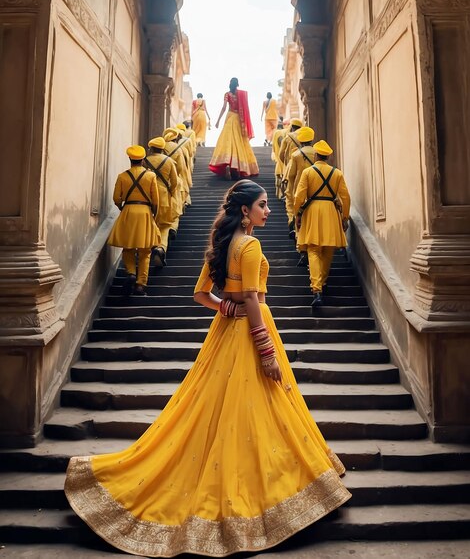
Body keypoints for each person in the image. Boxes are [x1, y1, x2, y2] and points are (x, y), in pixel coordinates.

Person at [64, 179, 351, 557]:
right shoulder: (249, 244)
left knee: (227, 406)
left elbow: (202, 295)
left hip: (228, 330)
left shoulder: (221, 245)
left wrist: (226, 309)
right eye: (263, 205)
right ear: (245, 211)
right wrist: (266, 350)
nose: (269, 210)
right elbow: (251, 297)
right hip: (252, 332)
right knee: (255, 403)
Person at [293, 140, 351, 310]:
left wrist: (297, 213)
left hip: (313, 210)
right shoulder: (337, 173)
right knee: (328, 249)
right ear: (327, 157)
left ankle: (317, 290)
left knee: (313, 249)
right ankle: (322, 283)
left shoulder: (307, 172)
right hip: (331, 211)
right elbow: (346, 197)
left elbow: (299, 196)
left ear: (317, 155)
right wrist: (344, 217)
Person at [107, 145, 161, 296]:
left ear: (130, 159)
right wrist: (153, 216)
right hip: (145, 212)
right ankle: (140, 285)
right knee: (145, 251)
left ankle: (131, 272)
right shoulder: (150, 176)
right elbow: (156, 200)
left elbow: (116, 198)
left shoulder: (122, 176)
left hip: (128, 211)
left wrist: (122, 207)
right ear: (143, 160)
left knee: (128, 248)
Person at [209, 77, 259, 180]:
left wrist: (218, 120)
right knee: (239, 142)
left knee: (227, 141)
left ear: (230, 84)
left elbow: (224, 107)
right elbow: (246, 110)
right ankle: (238, 166)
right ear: (237, 84)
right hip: (238, 119)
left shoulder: (227, 94)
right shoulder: (241, 94)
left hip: (230, 117)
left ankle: (227, 163)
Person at [284, 126, 317, 263]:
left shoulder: (296, 155)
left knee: (300, 220)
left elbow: (291, 176)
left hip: (300, 192)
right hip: (316, 192)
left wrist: (289, 193)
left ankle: (303, 250)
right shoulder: (317, 153)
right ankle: (314, 247)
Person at [144, 137, 179, 267]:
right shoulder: (169, 161)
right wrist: (169, 191)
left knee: (151, 225)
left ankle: (148, 251)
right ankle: (160, 248)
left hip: (148, 198)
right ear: (162, 148)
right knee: (164, 226)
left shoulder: (145, 161)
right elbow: (174, 182)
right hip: (164, 197)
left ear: (151, 148)